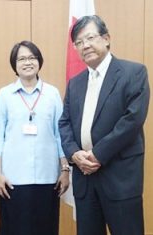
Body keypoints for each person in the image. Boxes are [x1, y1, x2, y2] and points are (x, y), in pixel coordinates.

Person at [59, 15, 150, 235]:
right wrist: (74, 154)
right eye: (79, 42)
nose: (85, 45)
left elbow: (132, 120)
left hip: (120, 177)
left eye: (90, 37)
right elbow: (65, 123)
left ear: (106, 38)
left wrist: (97, 155)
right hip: (85, 177)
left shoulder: (133, 72)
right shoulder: (75, 83)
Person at [0, 40, 69, 235]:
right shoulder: (5, 94)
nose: (27, 62)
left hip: (48, 177)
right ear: (14, 65)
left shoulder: (52, 94)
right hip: (12, 179)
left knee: (46, 228)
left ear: (39, 61)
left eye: (32, 57)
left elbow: (61, 134)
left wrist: (65, 169)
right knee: (14, 229)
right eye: (21, 59)